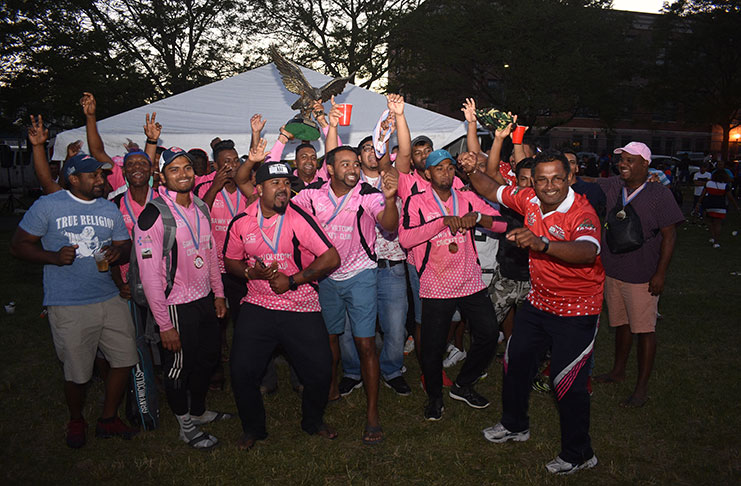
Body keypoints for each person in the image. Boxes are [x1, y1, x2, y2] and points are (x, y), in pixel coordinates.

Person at [461, 149, 604, 475]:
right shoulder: (529, 199)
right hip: (539, 303)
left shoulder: (582, 213)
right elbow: (490, 189)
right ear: (534, 182)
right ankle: (514, 425)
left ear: (569, 178)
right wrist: (471, 170)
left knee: (566, 381)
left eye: (557, 178)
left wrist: (543, 244)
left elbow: (588, 250)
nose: (550, 185)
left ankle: (580, 452)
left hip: (576, 310)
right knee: (515, 362)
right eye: (542, 179)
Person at [11, 125, 138, 448]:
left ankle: (108, 417)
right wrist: (52, 257)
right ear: (73, 179)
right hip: (67, 302)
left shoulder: (109, 208)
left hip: (108, 297)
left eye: (101, 175)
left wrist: (117, 252)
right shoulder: (49, 206)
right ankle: (76, 419)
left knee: (125, 359)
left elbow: (124, 245)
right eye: (94, 176)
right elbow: (19, 245)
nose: (101, 179)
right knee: (77, 373)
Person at [224, 160, 341, 450]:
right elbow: (230, 260)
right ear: (259, 188)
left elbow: (331, 258)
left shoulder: (298, 218)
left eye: (287, 183)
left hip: (299, 303)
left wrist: (294, 280)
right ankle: (253, 429)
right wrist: (250, 273)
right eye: (276, 184)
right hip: (258, 303)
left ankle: (313, 422)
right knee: (241, 371)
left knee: (321, 371)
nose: (283, 189)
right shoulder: (241, 222)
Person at [291, 145, 399, 445]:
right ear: (330, 169)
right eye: (345, 164)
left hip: (360, 275)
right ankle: (331, 389)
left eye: (355, 163)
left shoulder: (368, 193)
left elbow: (389, 225)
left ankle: (373, 414)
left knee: (365, 345)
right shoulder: (312, 194)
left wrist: (390, 201)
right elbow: (283, 205)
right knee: (329, 339)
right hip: (326, 278)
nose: (353, 168)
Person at [398, 149, 507, 421]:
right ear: (428, 173)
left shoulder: (468, 197)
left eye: (449, 167)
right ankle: (435, 396)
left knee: (489, 333)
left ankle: (463, 384)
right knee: (433, 345)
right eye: (439, 168)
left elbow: (504, 224)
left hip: (470, 279)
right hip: (436, 281)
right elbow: (406, 239)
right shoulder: (417, 201)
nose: (445, 173)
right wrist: (441, 222)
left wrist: (480, 219)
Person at [134, 147, 230, 450]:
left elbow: (211, 253)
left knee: (207, 358)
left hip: (203, 300)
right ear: (161, 176)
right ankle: (185, 426)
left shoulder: (201, 206)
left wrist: (219, 293)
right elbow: (150, 277)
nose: (183, 174)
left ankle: (198, 411)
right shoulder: (153, 214)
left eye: (187, 168)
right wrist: (164, 324)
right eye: (174, 169)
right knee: (178, 367)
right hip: (174, 304)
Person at [592, 142, 684, 408]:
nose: (623, 164)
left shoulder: (658, 194)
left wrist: (660, 274)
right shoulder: (612, 186)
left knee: (644, 330)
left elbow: (670, 235)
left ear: (646, 164)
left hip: (642, 273)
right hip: (613, 269)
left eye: (631, 160)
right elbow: (583, 180)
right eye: (621, 160)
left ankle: (641, 388)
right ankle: (618, 372)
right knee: (620, 324)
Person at [335, 99, 411, 397]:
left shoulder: (392, 176)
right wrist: (329, 125)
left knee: (394, 327)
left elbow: (403, 151)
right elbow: (333, 155)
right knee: (349, 326)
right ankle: (353, 371)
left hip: (391, 267)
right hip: (356, 268)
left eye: (375, 146)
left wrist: (398, 118)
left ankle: (392, 370)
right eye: (364, 148)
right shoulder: (349, 183)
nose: (371, 151)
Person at [695, 169, 740, 248]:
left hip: (709, 205)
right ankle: (716, 242)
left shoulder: (708, 184)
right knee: (718, 223)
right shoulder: (725, 186)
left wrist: (698, 203)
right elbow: (731, 198)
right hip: (721, 206)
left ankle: (712, 236)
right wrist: (736, 207)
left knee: (710, 222)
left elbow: (702, 194)